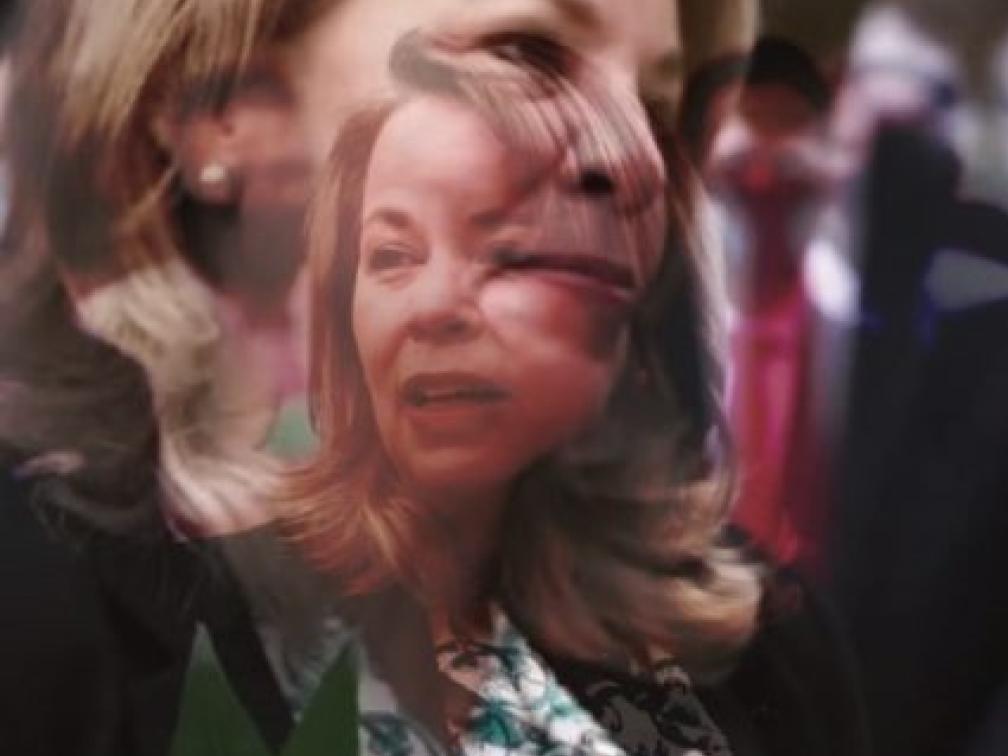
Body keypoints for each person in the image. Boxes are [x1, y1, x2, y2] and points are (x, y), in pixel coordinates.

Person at [0, 2, 767, 754]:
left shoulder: (748, 644)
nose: (635, 161)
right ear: (221, 112)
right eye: (524, 56)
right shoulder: (39, 635)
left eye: (656, 107)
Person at [285, 30, 868, 756]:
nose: (433, 307)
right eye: (393, 255)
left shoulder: (763, 644)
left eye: (508, 255)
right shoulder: (210, 609)